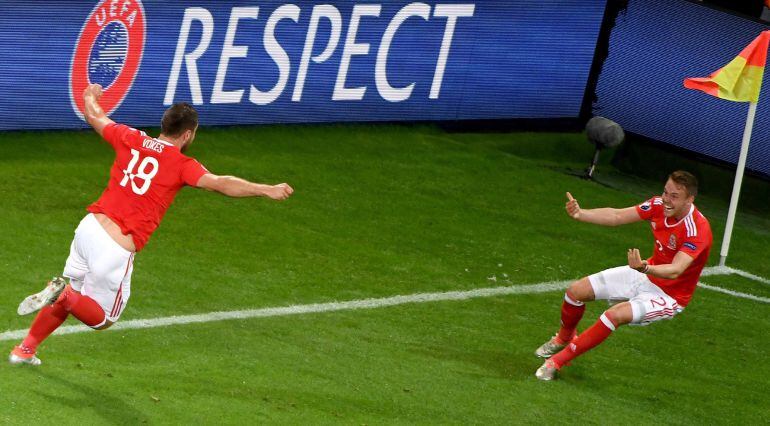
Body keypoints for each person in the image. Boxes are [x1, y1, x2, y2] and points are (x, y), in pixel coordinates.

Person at [9, 83, 294, 365]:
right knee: (103, 318)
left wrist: (89, 95)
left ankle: (25, 349)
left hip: (89, 227)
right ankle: (63, 295)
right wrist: (265, 189)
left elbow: (95, 116)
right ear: (187, 134)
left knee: (75, 292)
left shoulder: (131, 137)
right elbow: (220, 184)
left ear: (163, 125)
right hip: (115, 245)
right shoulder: (183, 164)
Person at [534, 171, 712, 380]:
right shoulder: (657, 205)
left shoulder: (698, 230)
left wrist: (645, 268)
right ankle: (564, 337)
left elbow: (675, 270)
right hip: (645, 273)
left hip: (668, 295)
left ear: (690, 199)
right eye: (665, 192)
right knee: (575, 292)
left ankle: (557, 362)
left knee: (613, 315)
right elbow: (617, 216)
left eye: (674, 196)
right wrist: (581, 214)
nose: (666, 199)